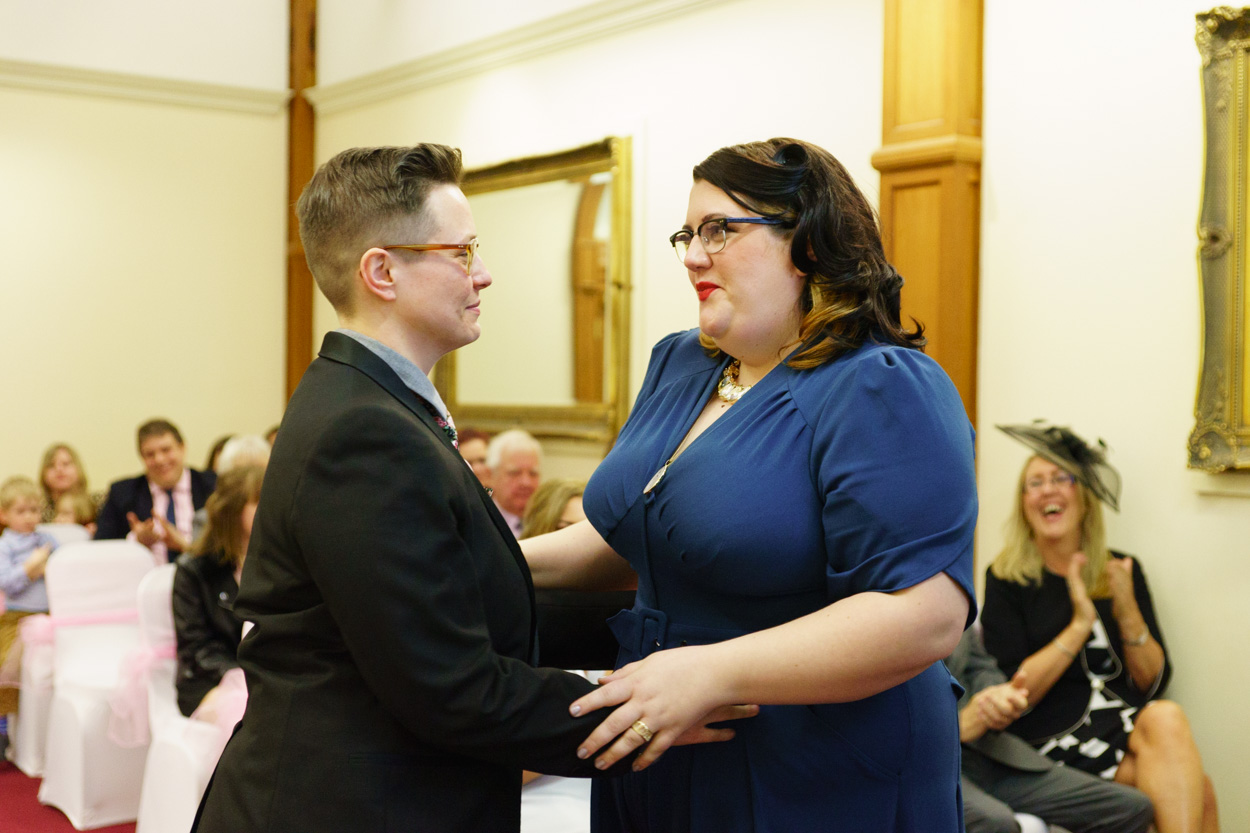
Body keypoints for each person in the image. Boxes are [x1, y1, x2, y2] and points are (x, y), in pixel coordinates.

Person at [191, 144, 748, 833]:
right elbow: (450, 686)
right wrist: (638, 711)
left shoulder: (371, 402)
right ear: (382, 270)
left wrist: (662, 635)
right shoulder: (363, 431)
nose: (483, 275)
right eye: (461, 252)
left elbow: (462, 603)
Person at [523, 138, 977, 832]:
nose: (692, 255)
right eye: (688, 233)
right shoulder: (681, 363)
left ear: (810, 245)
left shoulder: (881, 386)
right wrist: (493, 556)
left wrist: (712, 672)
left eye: (719, 230)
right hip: (663, 738)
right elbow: (642, 537)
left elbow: (924, 615)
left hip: (814, 765)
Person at [982, 422, 1219, 833]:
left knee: (1165, 717)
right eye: (1034, 483)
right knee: (1200, 791)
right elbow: (1013, 692)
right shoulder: (1007, 579)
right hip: (1048, 738)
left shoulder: (1120, 569)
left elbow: (1152, 683)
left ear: (1085, 498)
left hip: (1123, 725)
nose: (1048, 490)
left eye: (1061, 478)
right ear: (1024, 505)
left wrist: (1126, 607)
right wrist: (1079, 626)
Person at [946, 626, 1153, 833]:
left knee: (1131, 808)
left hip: (988, 751)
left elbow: (980, 667)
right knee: (996, 823)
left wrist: (995, 699)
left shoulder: (954, 604)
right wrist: (956, 726)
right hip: (929, 762)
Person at [172, 465, 262, 717]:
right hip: (208, 681)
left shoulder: (275, 565)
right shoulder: (193, 570)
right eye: (259, 503)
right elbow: (197, 648)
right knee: (249, 712)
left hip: (262, 679)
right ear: (232, 510)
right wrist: (244, 676)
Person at [95, 419, 216, 564]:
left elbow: (230, 543)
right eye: (150, 454)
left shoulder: (213, 486)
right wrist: (136, 541)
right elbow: (100, 548)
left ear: (182, 448)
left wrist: (187, 546)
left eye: (166, 450)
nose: (159, 459)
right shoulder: (122, 492)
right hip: (145, 580)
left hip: (203, 577)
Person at [0, 476, 58, 746]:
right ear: (4, 514)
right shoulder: (5, 545)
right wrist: (30, 569)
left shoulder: (47, 540)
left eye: (34, 510)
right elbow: (6, 581)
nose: (29, 517)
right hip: (15, 619)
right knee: (5, 666)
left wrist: (49, 567)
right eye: (21, 511)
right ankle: (3, 730)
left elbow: (64, 567)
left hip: (48, 618)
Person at [487, 428, 543, 536]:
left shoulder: (551, 524)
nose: (526, 483)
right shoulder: (479, 521)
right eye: (515, 473)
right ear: (491, 475)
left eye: (533, 473)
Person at [37, 443, 100, 522]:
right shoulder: (37, 510)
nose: (59, 469)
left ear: (78, 468)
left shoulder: (97, 504)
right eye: (51, 465)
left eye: (66, 464)